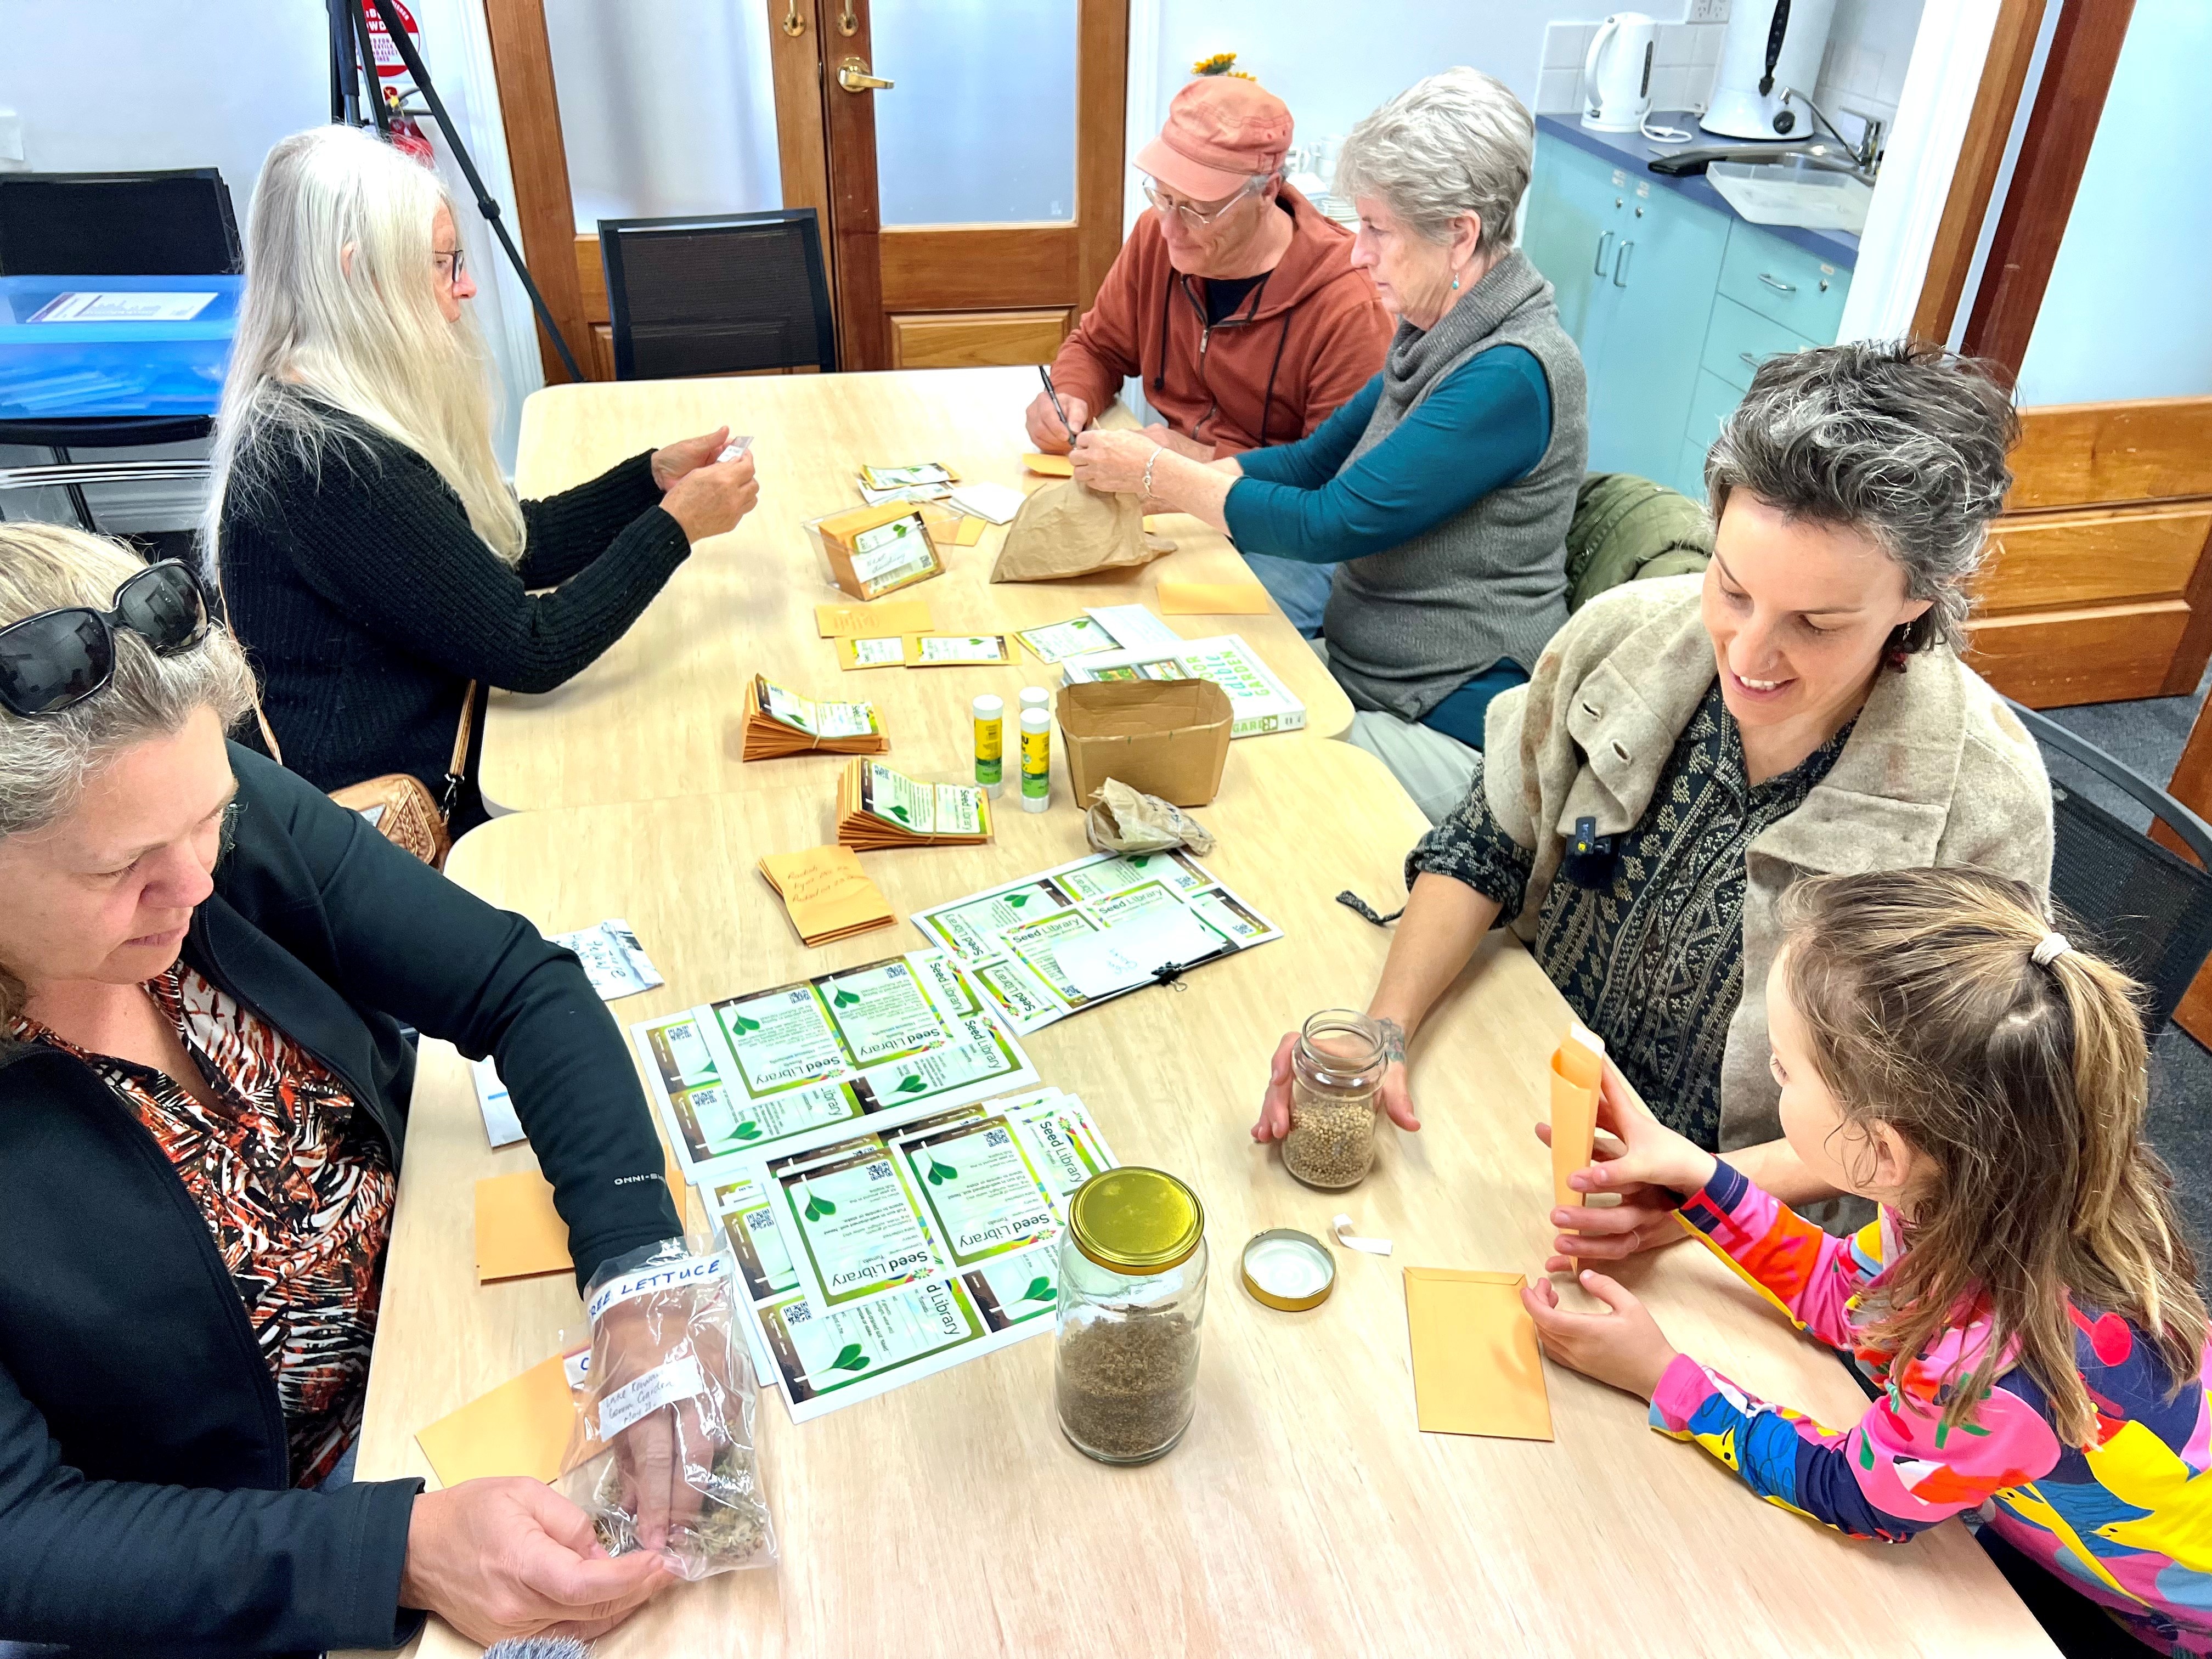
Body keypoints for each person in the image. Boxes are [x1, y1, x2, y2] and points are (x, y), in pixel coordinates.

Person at [0, 523, 699, 1654]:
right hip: (240, 1559)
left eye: (209, 816)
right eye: (117, 870)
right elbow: (22, 1532)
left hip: (441, 1348)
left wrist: (639, 1271)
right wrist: (396, 1554)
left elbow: (517, 985)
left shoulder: (180, 808)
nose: (192, 887)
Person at [1252, 341, 2055, 1238]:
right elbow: (1484, 841)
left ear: (1920, 595)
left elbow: (1929, 1122)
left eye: (1816, 622)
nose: (1747, 655)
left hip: (1750, 1221)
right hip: (1525, 1094)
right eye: (1732, 586)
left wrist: (1695, 1194)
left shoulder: (1980, 802)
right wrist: (1380, 1032)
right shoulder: (1621, 638)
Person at [1523, 868, 2211, 1658]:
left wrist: (1663, 1377)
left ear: (1880, 1150)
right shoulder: (1973, 1195)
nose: (1774, 1078)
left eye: (1785, 1070)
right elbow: (1848, 1300)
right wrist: (1702, 1182)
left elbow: (1857, 1495)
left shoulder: (1985, 1369)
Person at [206, 125, 757, 833]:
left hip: (444, 735)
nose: (464, 287)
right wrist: (676, 527)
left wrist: (649, 481)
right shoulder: (329, 460)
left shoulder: (329, 406)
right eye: (442, 264)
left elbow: (497, 552)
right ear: (359, 274)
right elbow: (530, 647)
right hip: (383, 817)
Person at [1070, 67, 1585, 811]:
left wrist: (1159, 477)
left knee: (1221, 784)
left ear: (1459, 237)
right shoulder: (1439, 329)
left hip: (1451, 721)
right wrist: (1157, 484)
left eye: (1377, 230)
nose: (1355, 250)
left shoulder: (1508, 373)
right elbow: (1313, 462)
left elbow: (1331, 520)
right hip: (1365, 671)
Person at [1025, 73, 1391, 630]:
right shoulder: (1156, 237)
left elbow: (1334, 494)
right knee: (1061, 604)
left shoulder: (1348, 303)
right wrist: (1069, 395)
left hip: (1281, 535)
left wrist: (1187, 463)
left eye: (1198, 209)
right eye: (1162, 196)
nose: (1170, 227)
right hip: (1168, 497)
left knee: (1201, 651)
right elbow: (1099, 346)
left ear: (1267, 190)